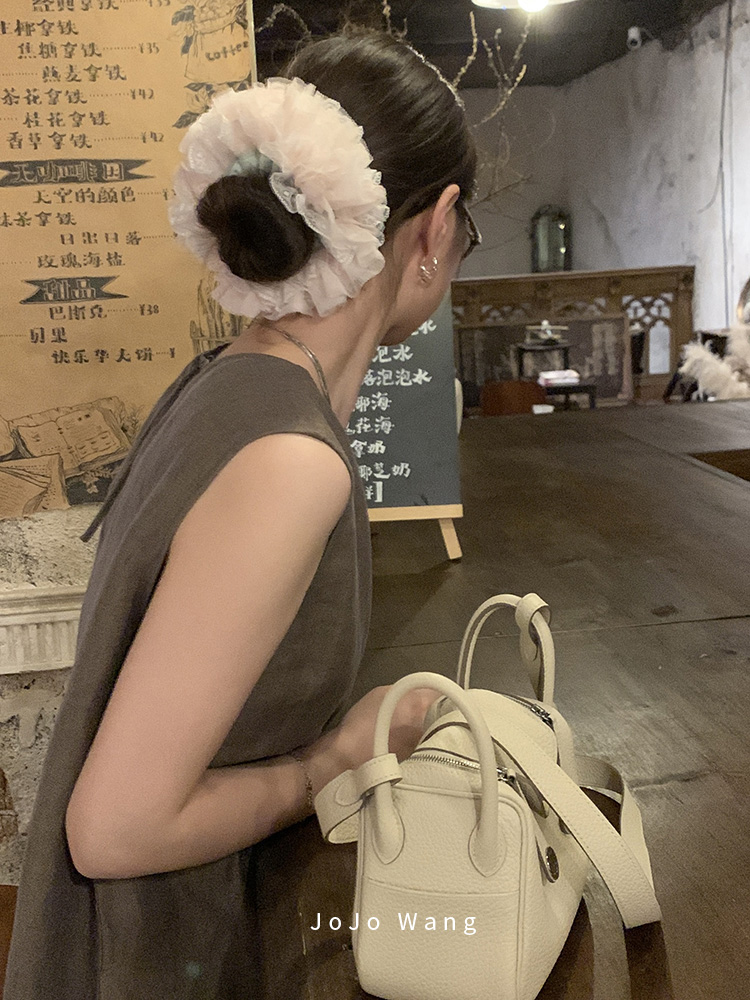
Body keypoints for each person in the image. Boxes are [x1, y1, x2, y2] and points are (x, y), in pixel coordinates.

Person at [3, 25, 480, 1000]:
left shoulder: (227, 382)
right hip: (161, 961)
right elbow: (115, 829)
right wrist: (331, 759)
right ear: (435, 230)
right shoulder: (288, 460)